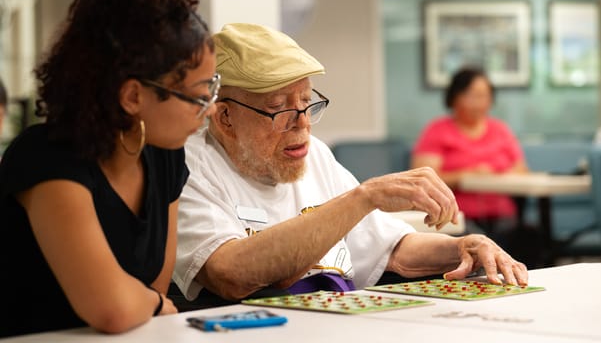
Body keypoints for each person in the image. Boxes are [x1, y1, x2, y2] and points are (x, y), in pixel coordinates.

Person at [173, 23, 527, 307]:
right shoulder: (188, 166)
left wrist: (460, 247)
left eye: (307, 103)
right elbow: (229, 273)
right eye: (280, 108)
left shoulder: (315, 156)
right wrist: (363, 197)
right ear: (225, 118)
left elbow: (392, 251)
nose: (303, 125)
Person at [0, 0, 219, 337]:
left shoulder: (164, 153)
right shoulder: (46, 159)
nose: (210, 108)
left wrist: (145, 301)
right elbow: (115, 310)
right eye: (199, 96)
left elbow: (154, 292)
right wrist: (146, 301)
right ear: (133, 95)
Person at [411, 67, 528, 232]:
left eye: (484, 96)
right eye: (472, 96)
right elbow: (422, 178)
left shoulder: (501, 130)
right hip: (455, 217)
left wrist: (496, 176)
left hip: (503, 216)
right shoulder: (437, 131)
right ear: (454, 98)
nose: (479, 103)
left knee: (527, 238)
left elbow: (521, 170)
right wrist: (466, 175)